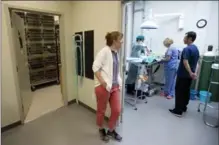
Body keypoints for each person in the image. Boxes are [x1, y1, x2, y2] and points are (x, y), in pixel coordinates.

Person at [92, 31, 123, 142]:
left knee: (117, 110)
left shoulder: (116, 53)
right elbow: (95, 67)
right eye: (121, 41)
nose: (122, 43)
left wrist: (118, 82)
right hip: (103, 87)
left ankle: (111, 130)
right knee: (101, 110)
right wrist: (103, 82)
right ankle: (101, 129)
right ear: (114, 41)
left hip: (114, 86)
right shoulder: (104, 51)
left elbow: (114, 70)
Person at [169, 31, 200, 117]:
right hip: (190, 76)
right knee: (186, 91)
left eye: (185, 38)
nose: (184, 39)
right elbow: (197, 62)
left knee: (179, 92)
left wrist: (190, 72)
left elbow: (185, 62)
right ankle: (183, 107)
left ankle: (178, 111)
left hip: (183, 75)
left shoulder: (187, 49)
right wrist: (194, 73)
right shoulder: (196, 48)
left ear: (190, 39)